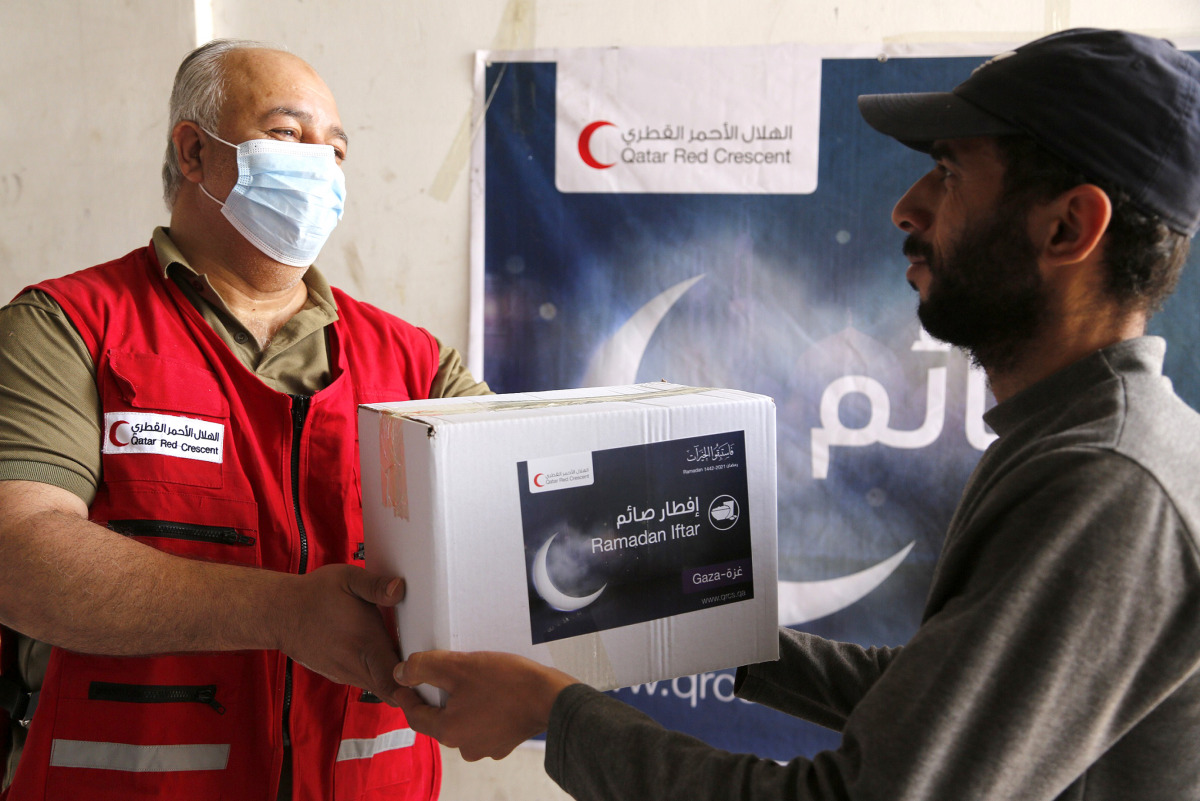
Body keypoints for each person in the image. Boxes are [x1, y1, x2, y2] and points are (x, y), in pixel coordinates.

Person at [390, 28, 1200, 800]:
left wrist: (551, 712)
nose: (907, 209)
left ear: (1068, 226)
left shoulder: (1106, 483)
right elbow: (933, 709)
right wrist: (679, 622)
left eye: (949, 174)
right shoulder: (1083, 444)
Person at [0, 39, 489, 800]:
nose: (321, 167)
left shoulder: (417, 365)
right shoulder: (68, 328)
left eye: (337, 150)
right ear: (194, 152)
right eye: (288, 136)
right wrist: (284, 612)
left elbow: (522, 516)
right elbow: (18, 556)